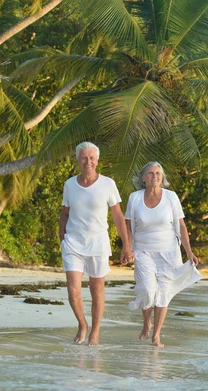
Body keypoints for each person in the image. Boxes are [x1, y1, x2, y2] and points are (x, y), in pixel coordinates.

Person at [59, 142, 133, 345]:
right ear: (77, 160)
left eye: (92, 158)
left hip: (98, 242)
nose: (88, 162)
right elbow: (64, 214)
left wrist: (126, 245)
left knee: (96, 288)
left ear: (97, 160)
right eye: (84, 158)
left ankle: (95, 332)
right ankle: (82, 324)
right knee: (73, 289)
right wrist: (62, 240)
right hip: (73, 242)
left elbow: (117, 215)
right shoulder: (69, 184)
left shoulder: (108, 184)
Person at [125, 162, 202, 347]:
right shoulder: (134, 198)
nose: (155, 176)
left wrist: (189, 252)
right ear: (143, 178)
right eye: (150, 173)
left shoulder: (171, 197)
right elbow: (127, 226)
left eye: (158, 173)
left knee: (163, 295)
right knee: (147, 290)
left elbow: (181, 226)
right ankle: (146, 323)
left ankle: (156, 335)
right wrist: (126, 248)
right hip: (143, 251)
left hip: (169, 253)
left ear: (162, 177)